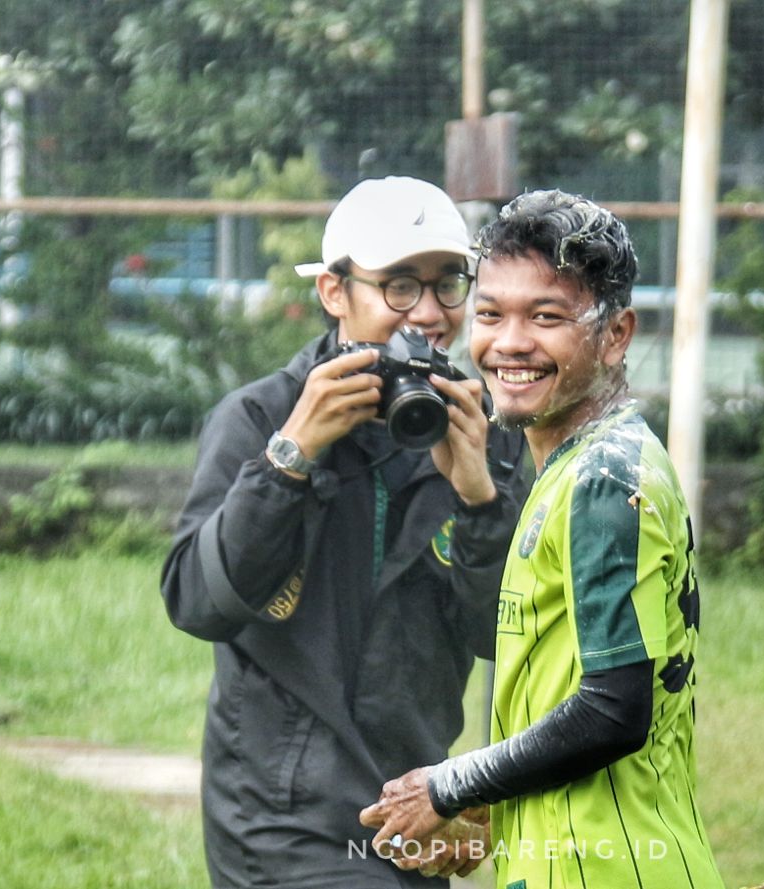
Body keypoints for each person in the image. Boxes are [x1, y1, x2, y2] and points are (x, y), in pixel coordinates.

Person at [161, 176, 529, 888]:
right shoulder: (262, 417)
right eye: (398, 285)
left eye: (448, 283)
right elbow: (196, 602)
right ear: (334, 291)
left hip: (415, 802)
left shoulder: (482, 429)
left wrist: (480, 497)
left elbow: (500, 636)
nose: (426, 313)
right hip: (280, 811)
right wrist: (292, 455)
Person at [360, 190, 725, 888]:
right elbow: (569, 705)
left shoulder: (605, 477)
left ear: (616, 334)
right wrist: (496, 812)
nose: (509, 343)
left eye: (547, 317)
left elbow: (616, 709)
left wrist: (452, 783)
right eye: (492, 313)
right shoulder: (571, 466)